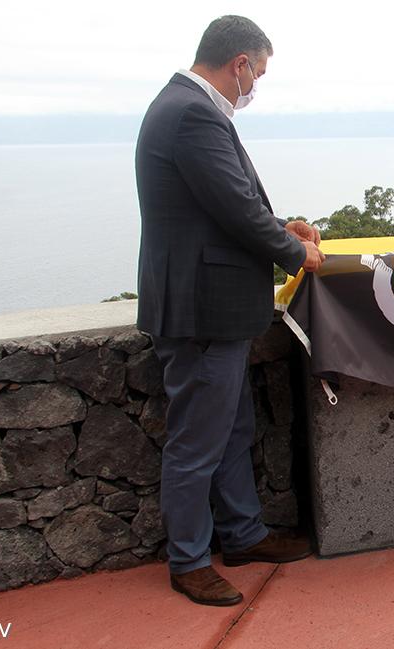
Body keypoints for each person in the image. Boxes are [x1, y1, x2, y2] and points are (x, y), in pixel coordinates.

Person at [135, 15, 326, 605]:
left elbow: (225, 206)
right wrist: (297, 252)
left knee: (232, 427)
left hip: (212, 309)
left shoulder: (183, 106)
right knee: (197, 441)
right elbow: (235, 211)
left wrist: (280, 225)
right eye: (258, 72)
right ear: (239, 63)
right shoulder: (192, 112)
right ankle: (189, 561)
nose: (256, 85)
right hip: (201, 312)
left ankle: (243, 535)